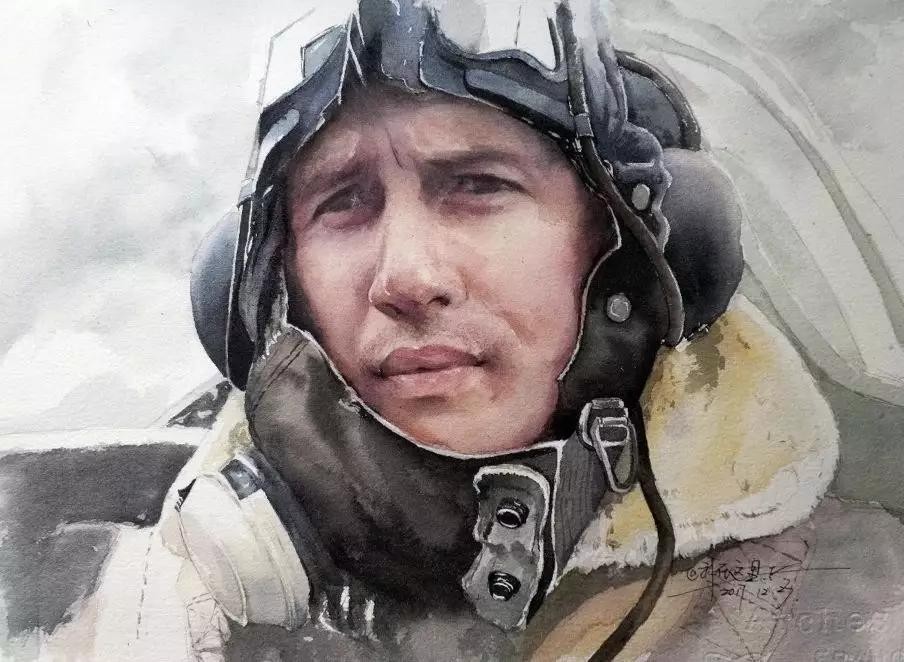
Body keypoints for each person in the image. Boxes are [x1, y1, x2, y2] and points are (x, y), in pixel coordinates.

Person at [11, 1, 904, 661]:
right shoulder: (161, 610)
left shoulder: (859, 603)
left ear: (627, 258)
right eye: (343, 203)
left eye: (478, 186)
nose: (406, 278)